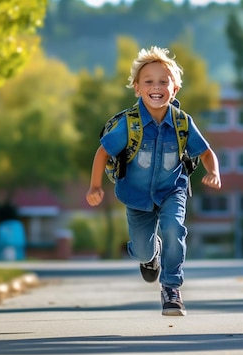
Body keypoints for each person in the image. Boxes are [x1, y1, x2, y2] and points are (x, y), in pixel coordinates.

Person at [86, 46, 221, 316]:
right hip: (136, 196)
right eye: (148, 81)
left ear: (175, 88)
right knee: (142, 251)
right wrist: (95, 186)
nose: (156, 87)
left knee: (174, 229)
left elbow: (206, 152)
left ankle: (171, 288)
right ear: (137, 88)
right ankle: (151, 255)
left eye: (163, 81)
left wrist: (214, 171)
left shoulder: (183, 122)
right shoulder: (129, 124)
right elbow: (102, 152)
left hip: (173, 190)